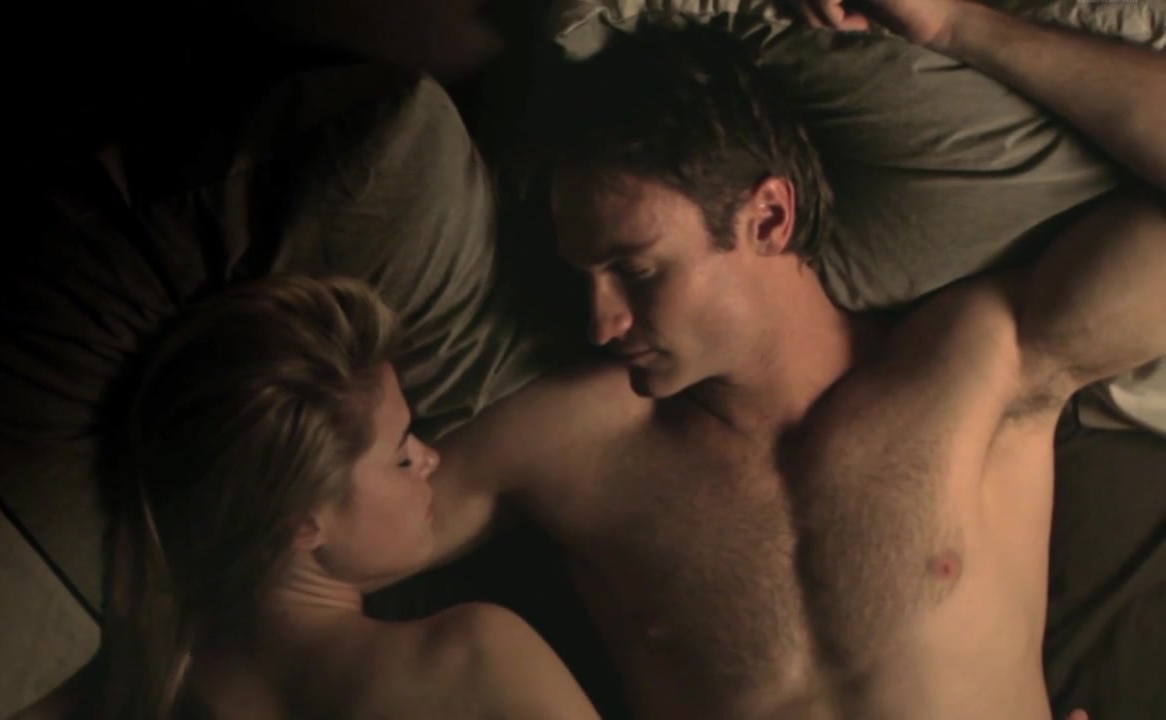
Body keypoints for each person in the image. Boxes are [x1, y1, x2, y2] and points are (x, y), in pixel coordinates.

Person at [424, 1, 1166, 718]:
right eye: (583, 276)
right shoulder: (572, 442)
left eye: (638, 270)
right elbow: (349, 559)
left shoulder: (979, 361)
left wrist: (957, 25)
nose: (600, 322)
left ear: (770, 218)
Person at [13, 276, 600, 719]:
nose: (431, 458)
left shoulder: (135, 687)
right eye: (401, 455)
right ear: (301, 523)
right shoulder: (473, 658)